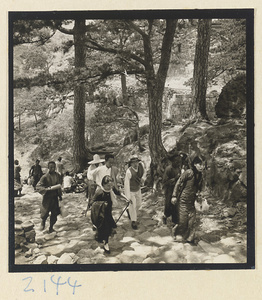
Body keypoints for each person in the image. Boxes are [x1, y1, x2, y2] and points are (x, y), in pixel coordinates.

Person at [171, 156, 204, 243]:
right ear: (194, 164)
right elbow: (178, 183)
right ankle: (175, 231)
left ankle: (190, 239)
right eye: (200, 164)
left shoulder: (200, 175)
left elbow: (199, 188)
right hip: (183, 201)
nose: (202, 167)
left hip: (192, 201)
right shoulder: (188, 172)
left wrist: (199, 195)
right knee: (183, 222)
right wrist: (174, 196)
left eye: (203, 165)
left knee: (192, 222)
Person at [91, 175, 121, 254]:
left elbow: (118, 193)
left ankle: (106, 243)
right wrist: (102, 204)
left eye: (111, 185)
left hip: (108, 213)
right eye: (108, 186)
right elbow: (92, 202)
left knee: (108, 228)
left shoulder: (111, 189)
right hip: (100, 214)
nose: (110, 187)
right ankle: (102, 239)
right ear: (103, 184)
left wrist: (127, 199)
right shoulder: (99, 192)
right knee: (102, 228)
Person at [36, 161, 62, 233]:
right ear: (48, 168)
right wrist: (46, 189)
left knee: (54, 213)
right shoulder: (45, 177)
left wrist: (60, 195)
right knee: (45, 212)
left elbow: (59, 186)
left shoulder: (58, 176)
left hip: (55, 197)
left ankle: (51, 227)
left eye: (53, 167)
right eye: (50, 167)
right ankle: (43, 223)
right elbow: (38, 186)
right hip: (47, 197)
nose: (52, 169)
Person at [124, 155, 145, 230]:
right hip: (131, 191)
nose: (135, 164)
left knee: (138, 204)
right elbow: (126, 184)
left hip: (138, 189)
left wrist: (142, 179)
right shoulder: (129, 172)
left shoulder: (140, 167)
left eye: (136, 162)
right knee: (133, 205)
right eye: (133, 163)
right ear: (131, 164)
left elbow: (142, 174)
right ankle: (133, 221)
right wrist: (128, 197)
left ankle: (130, 211)